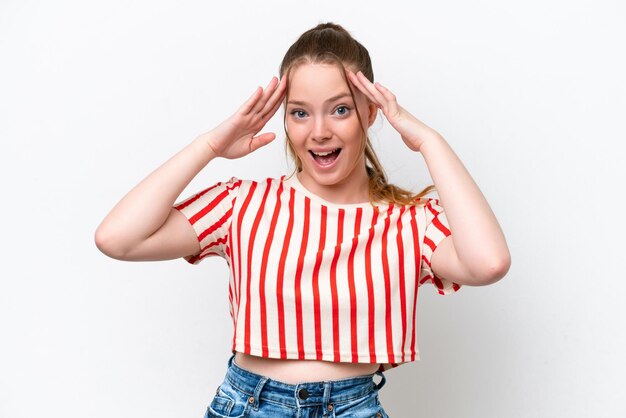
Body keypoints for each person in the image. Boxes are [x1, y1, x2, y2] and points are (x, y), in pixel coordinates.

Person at [95, 22, 510, 418]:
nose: (320, 131)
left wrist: (429, 142)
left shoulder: (409, 224)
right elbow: (117, 238)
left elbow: (488, 263)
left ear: (370, 113)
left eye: (341, 109)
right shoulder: (243, 204)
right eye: (300, 113)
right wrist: (210, 146)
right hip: (249, 405)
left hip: (355, 407)